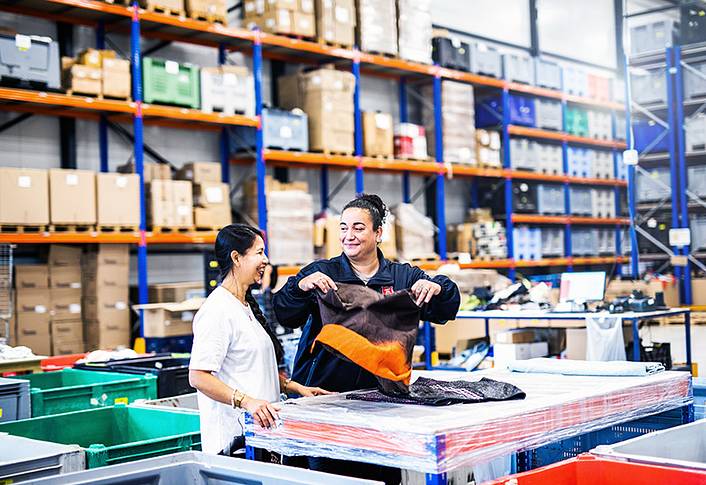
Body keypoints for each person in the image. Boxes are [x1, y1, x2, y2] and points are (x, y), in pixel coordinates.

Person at [273, 194, 461, 483]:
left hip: (382, 409)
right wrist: (299, 287)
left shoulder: (401, 278)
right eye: (344, 228)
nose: (349, 236)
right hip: (325, 404)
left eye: (358, 228)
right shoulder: (323, 273)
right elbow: (285, 314)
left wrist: (436, 285)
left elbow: (446, 308)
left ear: (378, 233)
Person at [188, 224, 332, 457]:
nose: (265, 260)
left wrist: (294, 387)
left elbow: (249, 366)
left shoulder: (245, 307)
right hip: (235, 444)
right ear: (236, 257)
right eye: (259, 252)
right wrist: (247, 402)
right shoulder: (217, 310)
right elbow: (198, 376)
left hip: (263, 438)